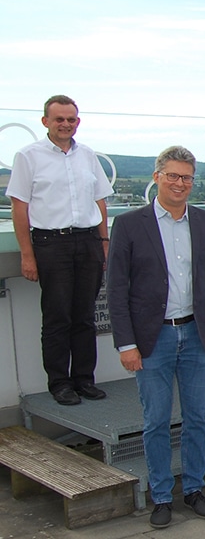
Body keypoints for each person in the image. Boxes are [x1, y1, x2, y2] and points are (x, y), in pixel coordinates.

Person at [107, 146, 205, 528]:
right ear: (157, 177)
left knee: (197, 417)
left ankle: (194, 488)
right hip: (152, 340)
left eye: (187, 178)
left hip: (197, 335)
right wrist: (125, 343)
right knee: (156, 420)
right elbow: (116, 289)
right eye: (173, 176)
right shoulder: (129, 225)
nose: (180, 184)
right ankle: (161, 496)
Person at [6, 95, 113, 406]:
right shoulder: (28, 156)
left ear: (77, 122)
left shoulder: (88, 156)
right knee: (57, 317)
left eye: (71, 119)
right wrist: (27, 255)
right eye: (59, 119)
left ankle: (84, 380)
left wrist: (103, 243)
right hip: (51, 244)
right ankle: (60, 383)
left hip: (88, 242)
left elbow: (100, 202)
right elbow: (19, 208)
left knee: (85, 315)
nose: (66, 124)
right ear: (45, 122)